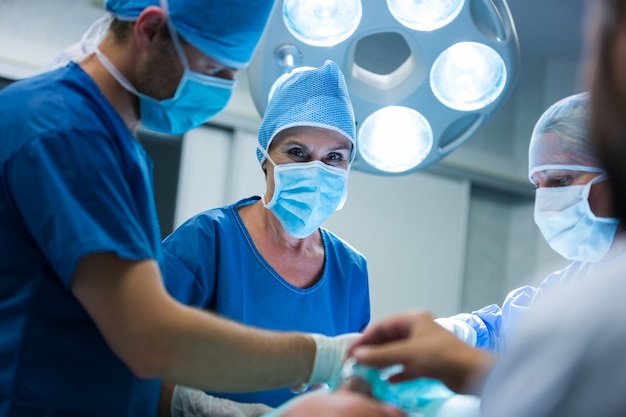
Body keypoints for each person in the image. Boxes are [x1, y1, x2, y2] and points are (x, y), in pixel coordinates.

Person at [0, 1, 361, 416]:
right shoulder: (62, 130)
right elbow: (150, 334)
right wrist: (320, 357)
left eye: (233, 76)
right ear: (152, 30)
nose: (223, 91)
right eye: (213, 71)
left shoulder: (113, 144)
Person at [161, 60, 370, 408]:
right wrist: (200, 409)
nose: (315, 170)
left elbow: (352, 382)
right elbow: (133, 360)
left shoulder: (351, 271)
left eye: (334, 157)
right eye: (297, 152)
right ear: (264, 157)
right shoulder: (205, 244)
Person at [435, 91, 626, 354]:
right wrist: (460, 332)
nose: (547, 200)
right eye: (538, 185)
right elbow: (507, 331)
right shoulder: (577, 280)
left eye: (561, 181)